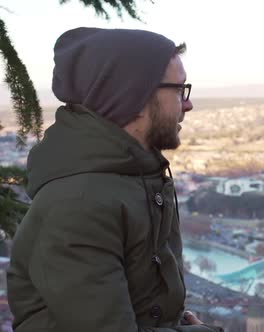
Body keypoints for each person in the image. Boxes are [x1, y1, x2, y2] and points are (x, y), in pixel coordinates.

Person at [7, 27, 222, 332]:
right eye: (178, 90)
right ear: (134, 97)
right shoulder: (80, 203)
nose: (188, 104)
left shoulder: (138, 179)